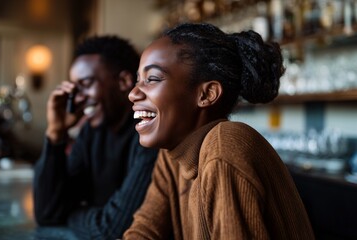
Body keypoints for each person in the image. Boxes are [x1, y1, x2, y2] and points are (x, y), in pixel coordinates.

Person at [123, 22, 315, 239]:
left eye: (153, 79)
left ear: (207, 94)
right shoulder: (172, 154)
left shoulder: (225, 146)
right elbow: (145, 230)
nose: (133, 94)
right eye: (138, 80)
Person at [33, 35, 158, 239]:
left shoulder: (149, 134)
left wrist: (70, 214)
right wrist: (55, 134)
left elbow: (112, 229)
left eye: (86, 83)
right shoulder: (91, 133)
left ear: (124, 81)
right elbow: (47, 214)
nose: (78, 97)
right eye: (75, 88)